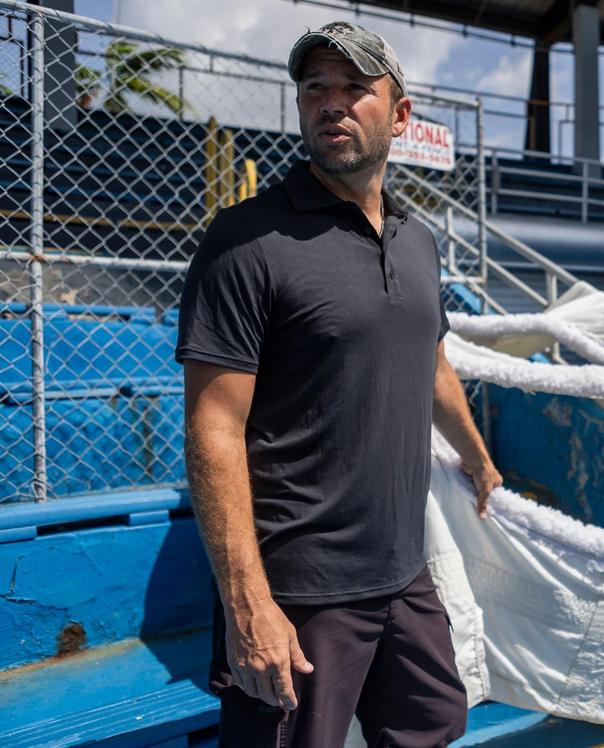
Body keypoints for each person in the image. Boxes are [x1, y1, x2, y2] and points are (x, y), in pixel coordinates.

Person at [175, 21, 502, 747]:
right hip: (297, 589)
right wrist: (247, 604)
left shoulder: (418, 242)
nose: (332, 104)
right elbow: (213, 428)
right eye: (315, 89)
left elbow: (431, 361)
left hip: (402, 571)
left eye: (355, 89)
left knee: (433, 724)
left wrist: (477, 457)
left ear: (401, 114)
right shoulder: (245, 241)